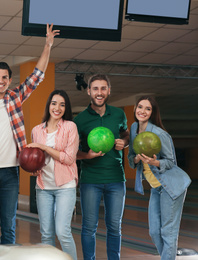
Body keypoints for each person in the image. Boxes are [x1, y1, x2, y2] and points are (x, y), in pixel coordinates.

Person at [0, 24, 60, 251]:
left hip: (10, 172)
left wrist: (47, 45)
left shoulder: (15, 97)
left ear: (9, 79)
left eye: (5, 77)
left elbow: (37, 76)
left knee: (9, 226)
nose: (1, 81)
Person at [127, 96, 191, 260]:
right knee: (154, 231)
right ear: (135, 108)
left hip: (171, 186)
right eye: (140, 107)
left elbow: (171, 162)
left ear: (152, 113)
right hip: (157, 188)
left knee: (167, 232)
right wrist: (137, 159)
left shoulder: (160, 134)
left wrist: (154, 162)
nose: (143, 111)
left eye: (147, 109)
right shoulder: (134, 128)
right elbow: (132, 158)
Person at [74, 74, 129, 260]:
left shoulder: (119, 114)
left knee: (114, 226)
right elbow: (72, 152)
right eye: (95, 89)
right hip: (91, 180)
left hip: (116, 178)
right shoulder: (79, 120)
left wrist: (125, 142)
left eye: (103, 88)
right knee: (89, 227)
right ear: (89, 91)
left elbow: (126, 134)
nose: (99, 92)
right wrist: (87, 155)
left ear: (109, 90)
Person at [26, 90, 79, 259]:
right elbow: (36, 159)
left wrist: (45, 148)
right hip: (43, 186)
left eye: (62, 105)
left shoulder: (70, 127)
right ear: (49, 105)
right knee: (46, 234)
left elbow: (69, 158)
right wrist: (34, 167)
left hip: (65, 185)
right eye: (54, 103)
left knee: (62, 232)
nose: (57, 108)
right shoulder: (36, 130)